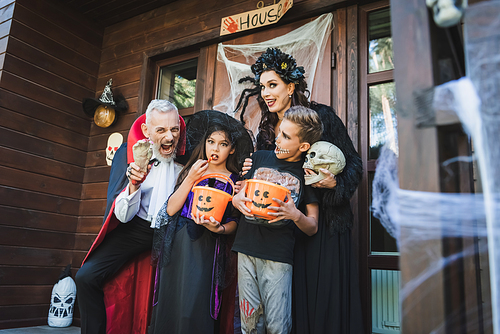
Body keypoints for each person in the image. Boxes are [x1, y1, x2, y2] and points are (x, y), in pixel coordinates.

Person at [236, 48, 364, 333]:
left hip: (325, 224)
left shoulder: (321, 117)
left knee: (322, 299)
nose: (266, 93)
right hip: (286, 230)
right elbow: (268, 173)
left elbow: (354, 162)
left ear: (290, 86)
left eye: (273, 85)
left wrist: (336, 185)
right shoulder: (268, 129)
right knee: (289, 305)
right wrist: (250, 168)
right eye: (262, 87)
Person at [75, 100, 185, 334]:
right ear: (146, 130)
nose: (170, 137)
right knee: (85, 277)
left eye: (174, 129)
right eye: (161, 130)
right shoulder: (129, 157)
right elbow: (122, 216)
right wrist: (134, 185)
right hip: (136, 229)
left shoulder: (186, 160)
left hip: (173, 232)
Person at [149, 111, 253, 334]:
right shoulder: (192, 169)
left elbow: (235, 221)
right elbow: (170, 209)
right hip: (177, 242)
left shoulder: (235, 180)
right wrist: (191, 178)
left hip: (207, 246)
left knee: (194, 304)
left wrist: (220, 228)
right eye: (211, 142)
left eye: (223, 144)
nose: (215, 149)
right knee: (171, 299)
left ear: (232, 149)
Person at [231, 106, 322, 334]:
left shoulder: (305, 172)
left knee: (277, 326)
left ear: (303, 146)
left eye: (286, 137)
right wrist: (236, 200)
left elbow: (312, 226)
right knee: (249, 325)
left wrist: (295, 215)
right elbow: (240, 192)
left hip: (278, 256)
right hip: (246, 248)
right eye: (280, 132)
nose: (277, 140)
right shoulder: (259, 157)